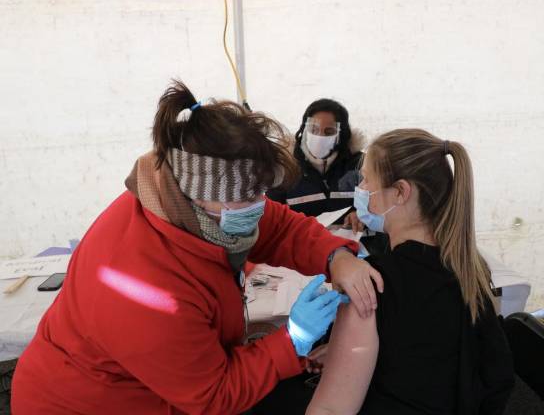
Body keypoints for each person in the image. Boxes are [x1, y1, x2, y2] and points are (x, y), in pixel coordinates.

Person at [11, 81, 384, 415]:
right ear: (205, 199)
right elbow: (214, 396)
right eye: (249, 197)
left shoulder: (201, 206)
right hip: (84, 403)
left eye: (261, 192)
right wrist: (290, 343)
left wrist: (334, 255)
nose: (261, 204)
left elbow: (276, 225)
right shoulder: (146, 287)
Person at [307, 129, 514, 415]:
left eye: (367, 179)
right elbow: (433, 357)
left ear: (401, 192)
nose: (362, 189)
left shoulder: (370, 284)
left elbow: (329, 410)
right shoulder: (472, 270)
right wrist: (348, 357)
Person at [267, 98, 365, 232]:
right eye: (314, 129)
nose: (320, 136)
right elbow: (270, 214)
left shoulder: (359, 165)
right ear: (304, 129)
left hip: (354, 247)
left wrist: (360, 214)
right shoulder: (286, 167)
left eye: (329, 132)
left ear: (340, 135)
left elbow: (379, 205)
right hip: (303, 248)